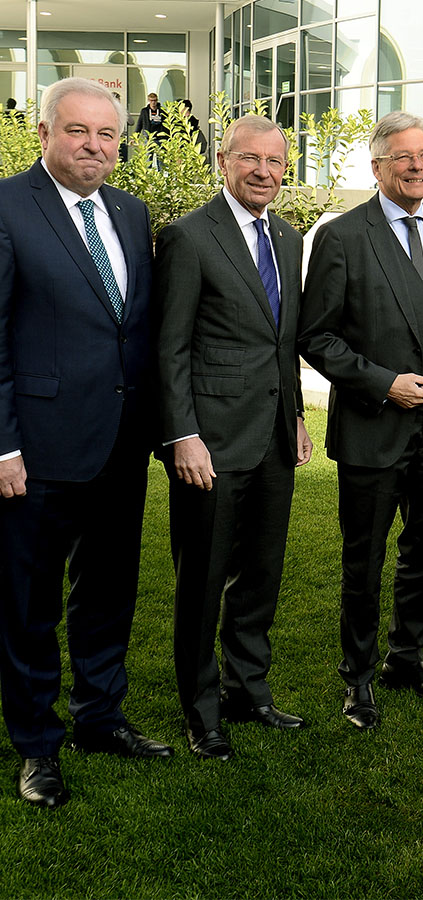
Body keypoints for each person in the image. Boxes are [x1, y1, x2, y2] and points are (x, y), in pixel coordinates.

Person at [0, 77, 171, 809]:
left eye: (107, 134)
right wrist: (3, 446)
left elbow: (134, 328)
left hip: (120, 443)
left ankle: (100, 717)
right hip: (37, 449)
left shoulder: (131, 212)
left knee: (107, 591)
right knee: (29, 603)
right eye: (77, 131)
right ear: (44, 133)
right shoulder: (8, 206)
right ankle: (37, 743)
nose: (94, 146)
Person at [300, 111, 423, 730]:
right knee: (365, 559)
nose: (418, 166)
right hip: (373, 429)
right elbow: (316, 337)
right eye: (404, 157)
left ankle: (407, 657)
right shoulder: (342, 236)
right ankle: (358, 676)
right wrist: (385, 385)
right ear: (377, 167)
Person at [156, 115, 312, 761]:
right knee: (203, 581)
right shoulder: (189, 237)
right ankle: (202, 712)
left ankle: (248, 690)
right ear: (223, 161)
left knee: (261, 576)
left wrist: (295, 414)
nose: (263, 172)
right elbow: (170, 349)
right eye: (250, 158)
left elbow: (284, 341)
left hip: (272, 436)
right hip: (211, 444)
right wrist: (182, 435)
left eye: (275, 162)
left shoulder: (288, 238)